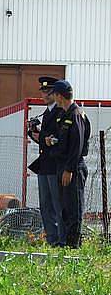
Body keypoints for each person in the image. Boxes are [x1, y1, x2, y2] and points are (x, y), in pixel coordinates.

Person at [47, 80, 90, 248]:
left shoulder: (76, 114)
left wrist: (69, 169)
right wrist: (53, 141)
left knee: (74, 206)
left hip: (72, 167)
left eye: (54, 94)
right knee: (65, 206)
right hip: (62, 165)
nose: (53, 98)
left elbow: (77, 145)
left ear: (60, 96)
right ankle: (65, 241)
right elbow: (65, 141)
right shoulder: (63, 115)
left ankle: (74, 245)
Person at [28, 77, 66, 246]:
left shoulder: (59, 112)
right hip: (45, 165)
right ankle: (52, 239)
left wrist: (41, 137)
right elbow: (44, 140)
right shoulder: (47, 112)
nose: (44, 94)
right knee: (45, 204)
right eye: (43, 91)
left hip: (54, 165)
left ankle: (60, 239)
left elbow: (55, 140)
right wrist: (33, 132)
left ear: (55, 93)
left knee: (57, 204)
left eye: (48, 91)